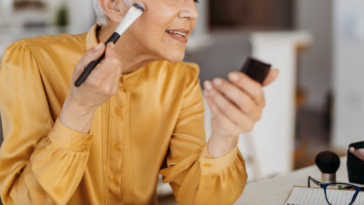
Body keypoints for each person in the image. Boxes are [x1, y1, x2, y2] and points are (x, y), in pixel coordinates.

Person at [0, 0, 278, 204]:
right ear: (113, 6)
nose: (192, 12)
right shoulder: (31, 60)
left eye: (193, 0)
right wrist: (78, 110)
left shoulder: (181, 79)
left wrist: (224, 136)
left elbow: (202, 199)